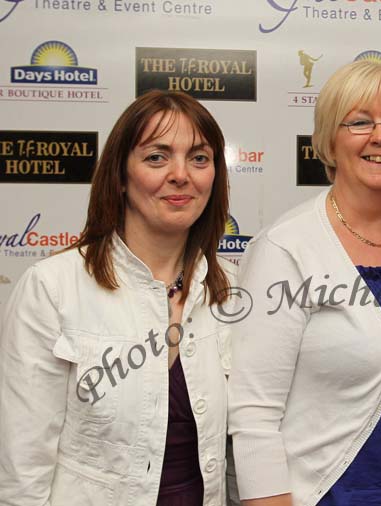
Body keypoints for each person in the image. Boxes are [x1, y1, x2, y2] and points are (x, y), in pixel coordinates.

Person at [228, 60, 381, 506]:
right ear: (328, 139)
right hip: (337, 494)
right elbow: (253, 414)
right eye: (359, 122)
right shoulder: (286, 248)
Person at [0, 90, 236, 506]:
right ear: (121, 177)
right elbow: (22, 467)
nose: (181, 174)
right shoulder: (52, 288)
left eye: (199, 158)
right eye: (156, 157)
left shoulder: (233, 293)